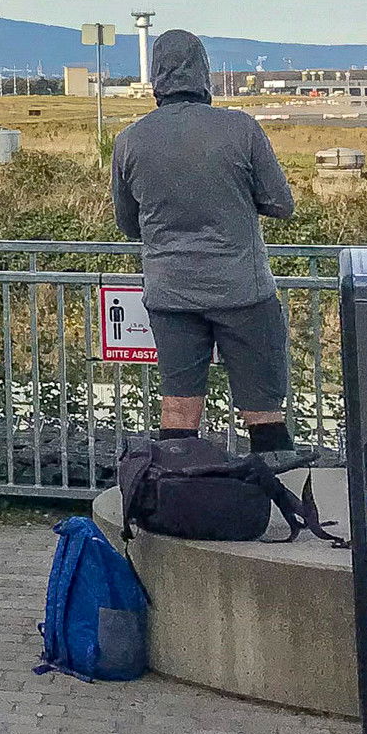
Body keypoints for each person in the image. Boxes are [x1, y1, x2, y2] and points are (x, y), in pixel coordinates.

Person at [112, 30, 300, 451]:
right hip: (242, 291)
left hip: (170, 292)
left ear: (156, 78)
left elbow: (128, 222)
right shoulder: (241, 128)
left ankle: (182, 497)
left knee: (177, 406)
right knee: (262, 407)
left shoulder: (130, 140)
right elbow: (281, 204)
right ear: (204, 72)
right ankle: (274, 500)